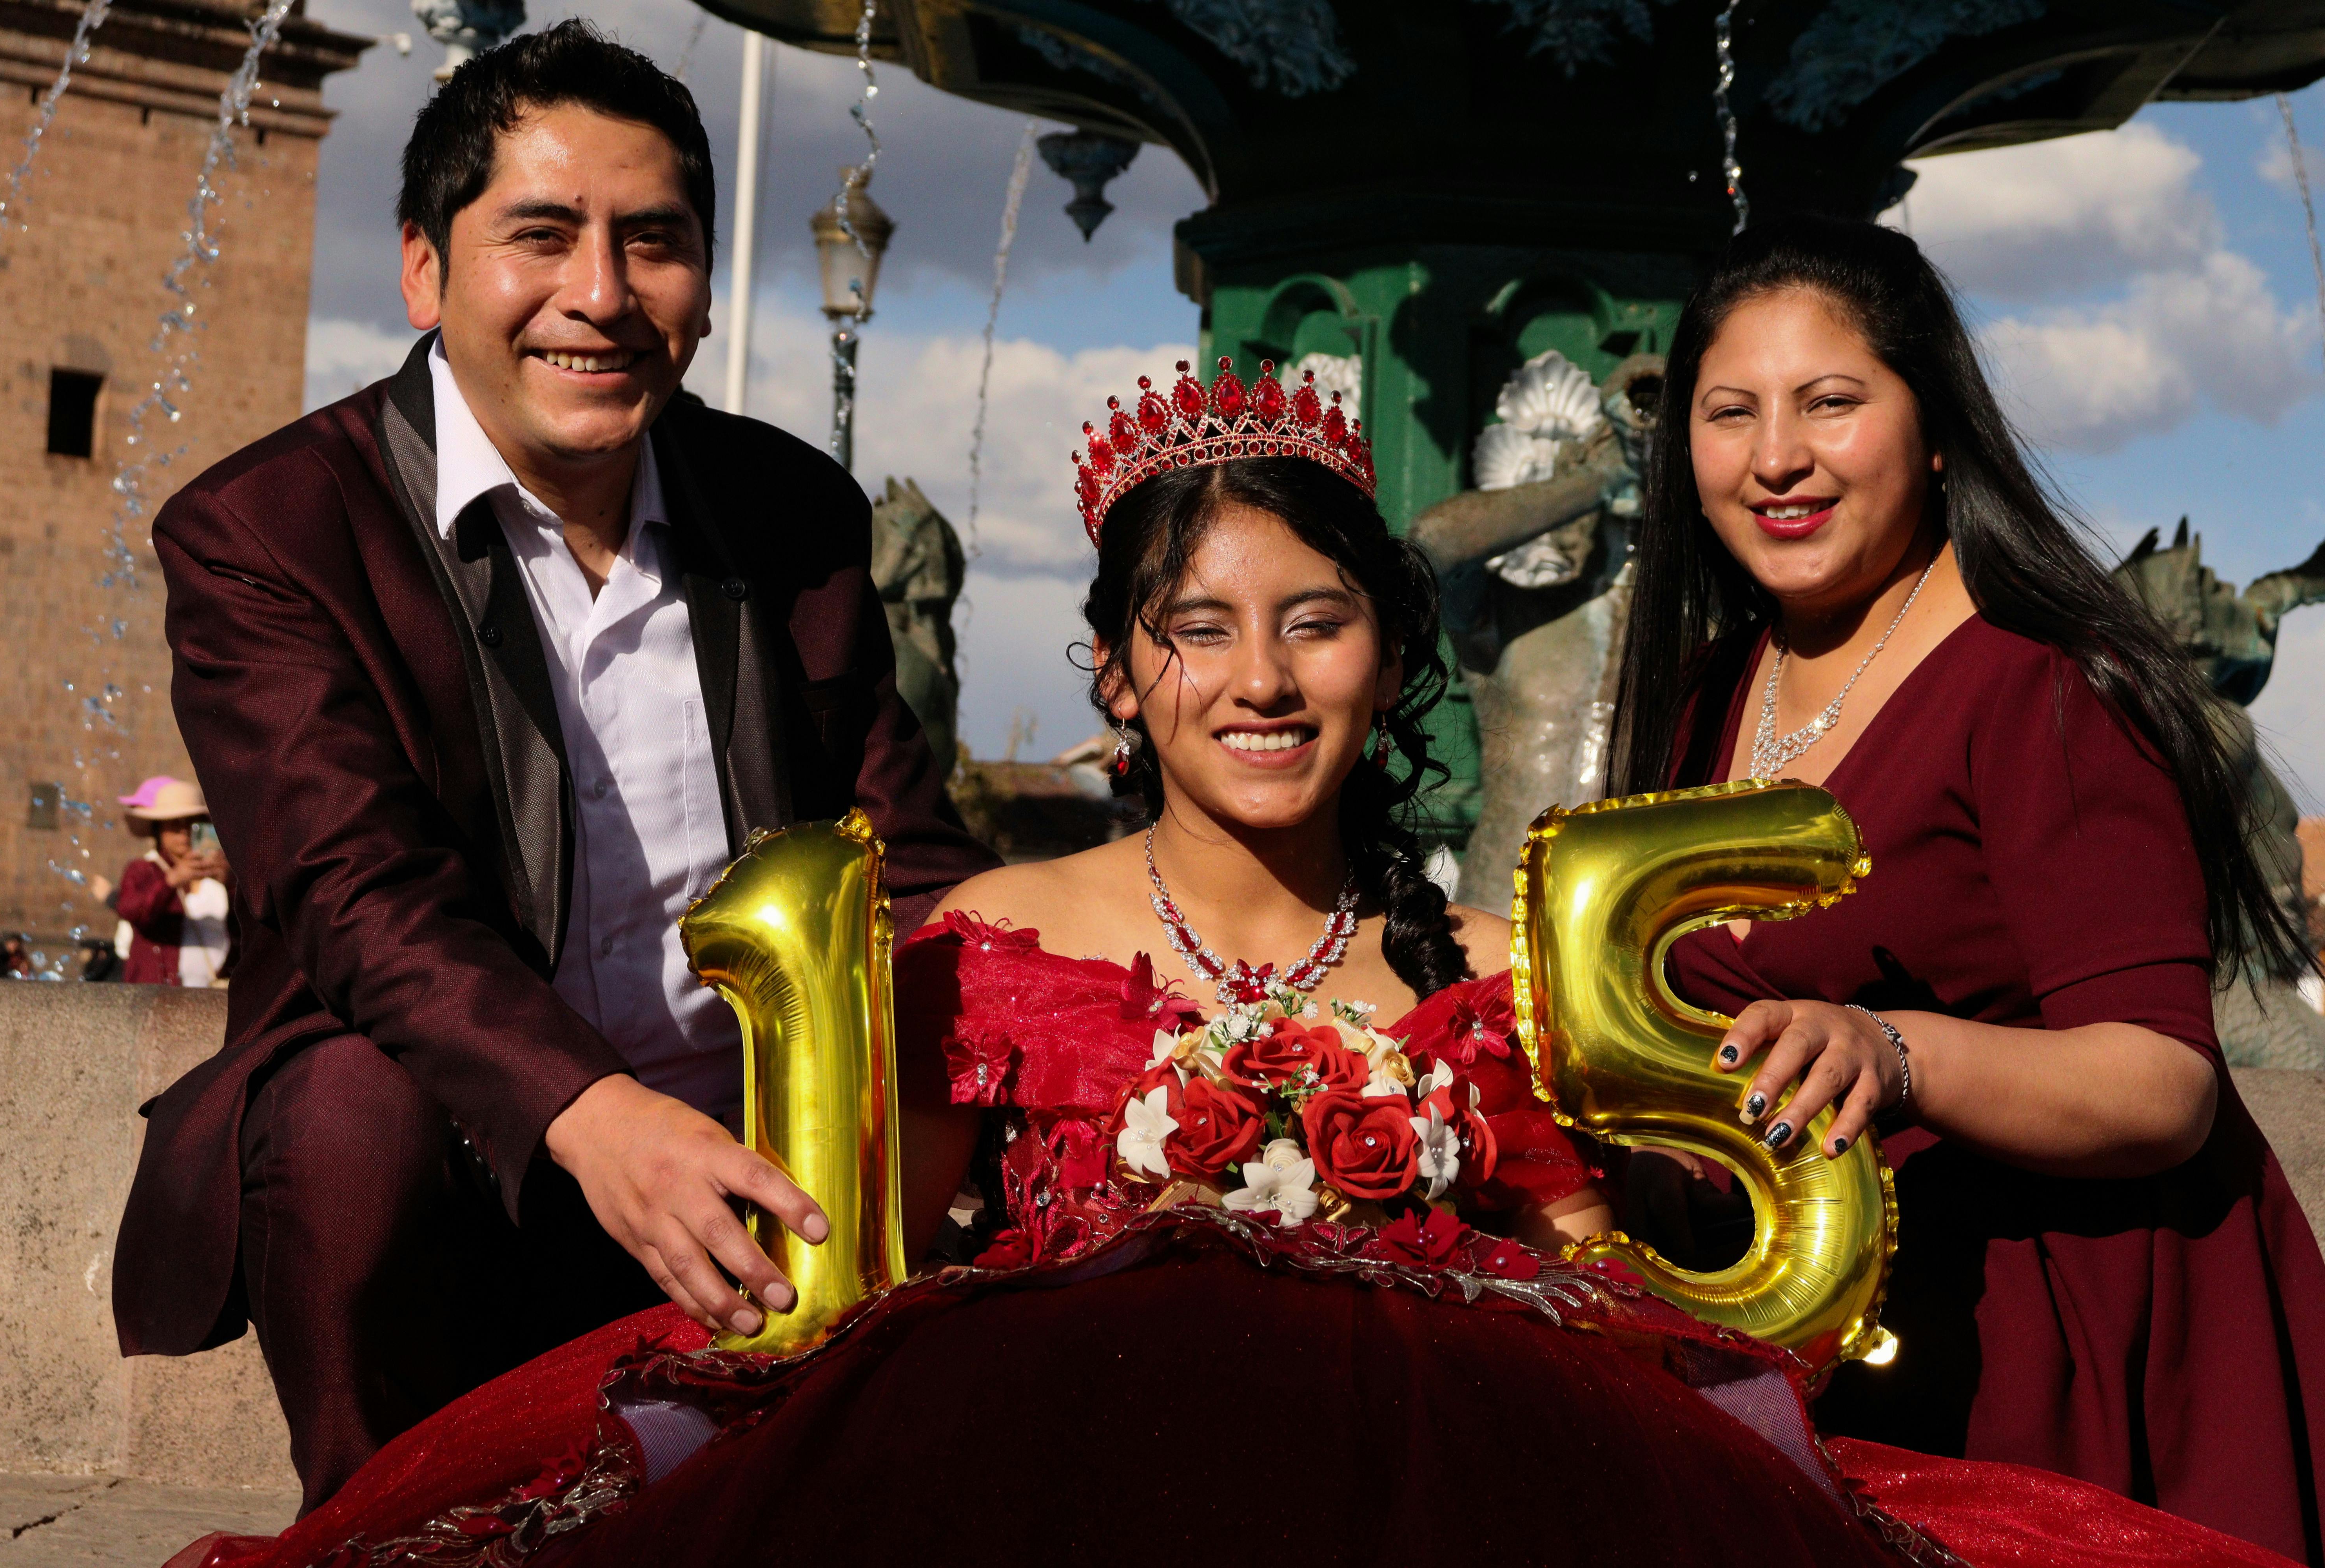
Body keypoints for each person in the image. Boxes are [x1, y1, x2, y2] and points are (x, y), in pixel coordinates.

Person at [167, 361, 2305, 1568]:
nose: (1260, 682)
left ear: (1394, 663)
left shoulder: (1497, 961)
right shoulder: (966, 941)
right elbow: (864, 1275)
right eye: (1197, 632)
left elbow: (1594, 1257)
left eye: (1319, 622)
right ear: (1115, 680)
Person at [112, 20, 995, 1516]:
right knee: (341, 1113)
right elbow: (355, 892)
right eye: (542, 234)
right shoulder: (270, 531)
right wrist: (598, 1117)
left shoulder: (786, 513)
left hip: (766, 1180)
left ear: (705, 286)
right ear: (422, 269)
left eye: (653, 241)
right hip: (466, 1168)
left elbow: (908, 858)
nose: (600, 294)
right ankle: (382, 1525)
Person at [1606, 214, 2325, 1563]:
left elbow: (2160, 1085)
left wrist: (1892, 1050)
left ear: (1935, 428)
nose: (1776, 459)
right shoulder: (1711, 692)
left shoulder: (2044, 683)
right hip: (1832, 1346)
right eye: (1730, 412)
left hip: (2063, 1362)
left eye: (1832, 404)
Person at [113, 776, 231, 987]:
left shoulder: (219, 871)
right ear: (159, 829)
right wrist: (173, 880)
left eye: (192, 824)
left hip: (213, 991)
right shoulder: (143, 870)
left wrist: (230, 882)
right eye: (175, 825)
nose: (184, 833)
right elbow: (132, 910)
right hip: (159, 993)